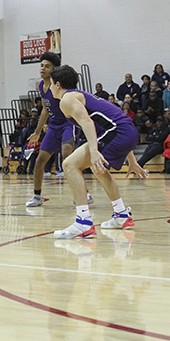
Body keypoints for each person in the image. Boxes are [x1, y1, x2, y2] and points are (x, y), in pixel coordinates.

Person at [48, 65, 147, 239]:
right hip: (127, 131)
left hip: (119, 132)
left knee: (69, 164)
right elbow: (116, 121)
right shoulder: (80, 95)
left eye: (50, 84)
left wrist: (93, 150)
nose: (49, 88)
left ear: (57, 84)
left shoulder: (67, 99)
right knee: (98, 167)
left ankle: (83, 222)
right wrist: (131, 159)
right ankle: (121, 215)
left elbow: (87, 122)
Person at [26, 52, 91, 207]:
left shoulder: (60, 86)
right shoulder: (42, 86)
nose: (42, 68)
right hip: (54, 126)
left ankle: (84, 194)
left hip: (69, 123)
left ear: (54, 69)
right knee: (40, 160)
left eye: (47, 66)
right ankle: (37, 196)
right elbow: (44, 109)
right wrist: (37, 131)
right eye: (41, 65)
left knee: (68, 156)